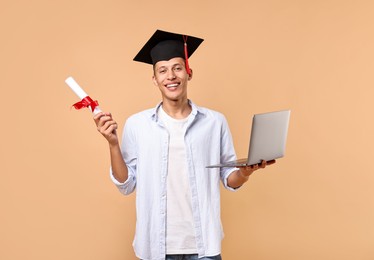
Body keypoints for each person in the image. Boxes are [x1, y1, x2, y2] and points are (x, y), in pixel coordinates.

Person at [93, 30, 275, 260]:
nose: (171, 75)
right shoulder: (137, 125)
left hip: (203, 246)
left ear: (189, 73)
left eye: (178, 68)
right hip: (155, 246)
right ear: (155, 79)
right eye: (163, 70)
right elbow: (126, 184)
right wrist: (112, 144)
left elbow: (229, 178)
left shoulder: (214, 122)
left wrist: (246, 172)